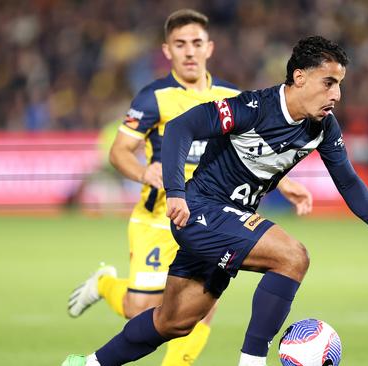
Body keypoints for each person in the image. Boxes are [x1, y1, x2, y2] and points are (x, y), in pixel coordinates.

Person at [62, 35, 368, 366]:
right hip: (200, 210)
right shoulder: (253, 108)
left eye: (339, 84)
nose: (336, 93)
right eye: (328, 82)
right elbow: (181, 128)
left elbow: (345, 178)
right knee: (292, 257)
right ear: (299, 78)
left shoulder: (323, 127)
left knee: (175, 321)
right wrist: (177, 193)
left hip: (230, 222)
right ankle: (252, 360)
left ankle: (89, 363)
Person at [66, 9, 313, 366]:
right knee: (142, 309)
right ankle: (105, 284)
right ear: (167, 51)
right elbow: (119, 152)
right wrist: (143, 173)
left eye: (196, 43)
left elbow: (255, 152)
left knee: (196, 311)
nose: (189, 52)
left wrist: (286, 185)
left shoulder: (231, 95)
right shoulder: (154, 98)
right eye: (180, 44)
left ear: (209, 47)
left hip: (212, 214)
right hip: (159, 216)